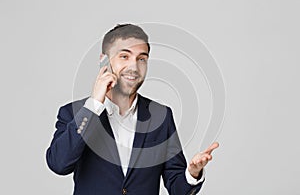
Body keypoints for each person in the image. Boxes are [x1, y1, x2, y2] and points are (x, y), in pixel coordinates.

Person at [46, 24, 219, 195]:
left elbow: (177, 188)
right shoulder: (74, 113)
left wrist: (192, 174)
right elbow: (58, 164)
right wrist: (93, 105)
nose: (134, 67)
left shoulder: (161, 116)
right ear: (104, 61)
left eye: (141, 59)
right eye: (124, 56)